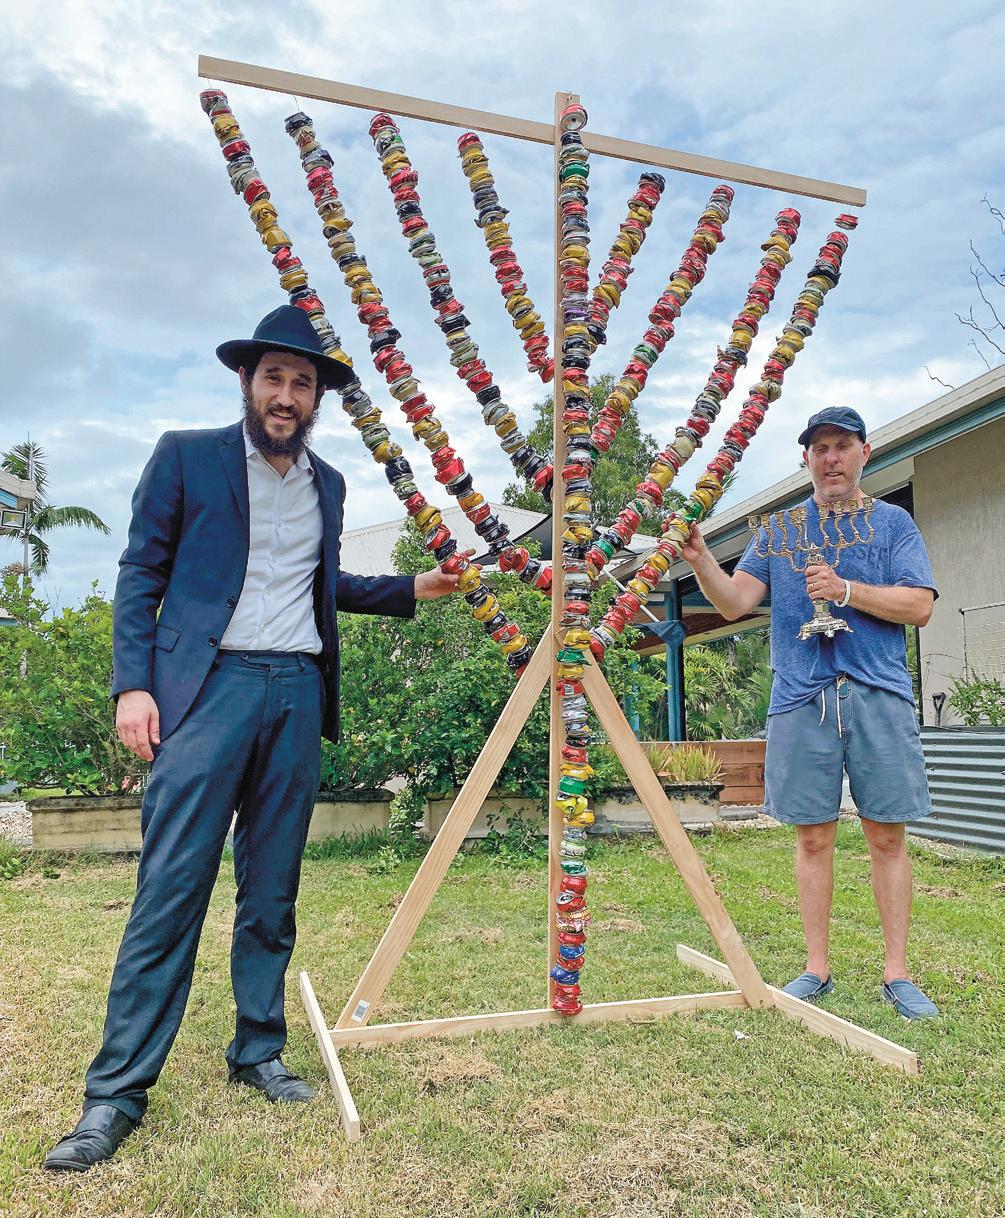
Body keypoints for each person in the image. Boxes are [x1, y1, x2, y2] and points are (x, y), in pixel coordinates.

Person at [44, 305, 463, 1172]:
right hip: (208, 691)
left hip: (296, 691)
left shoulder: (328, 484)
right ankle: (114, 1095)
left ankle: (257, 1051)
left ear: (317, 399)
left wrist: (411, 588)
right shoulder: (186, 456)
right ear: (247, 381)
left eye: (301, 383)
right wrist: (132, 684)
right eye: (273, 377)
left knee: (272, 889)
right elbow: (141, 570)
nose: (285, 395)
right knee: (172, 888)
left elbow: (319, 581)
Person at [679, 406, 939, 1021]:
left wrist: (846, 591)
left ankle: (897, 974)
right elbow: (736, 601)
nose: (831, 458)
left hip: (878, 692)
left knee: (886, 834)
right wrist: (701, 561)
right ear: (806, 459)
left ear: (864, 453)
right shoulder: (779, 529)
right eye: (820, 448)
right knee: (814, 835)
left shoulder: (893, 524)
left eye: (842, 446)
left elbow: (920, 606)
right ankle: (816, 968)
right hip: (800, 696)